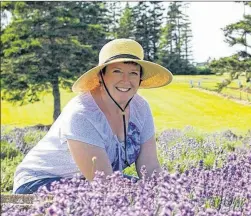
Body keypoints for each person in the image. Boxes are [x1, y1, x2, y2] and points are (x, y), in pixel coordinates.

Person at [13, 38, 173, 194]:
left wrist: (171, 194)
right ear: (101, 77)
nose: (126, 80)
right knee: (126, 200)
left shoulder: (141, 108)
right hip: (40, 182)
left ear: (140, 79)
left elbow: (150, 166)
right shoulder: (82, 114)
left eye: (133, 73)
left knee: (151, 195)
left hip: (88, 181)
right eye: (117, 71)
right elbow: (104, 185)